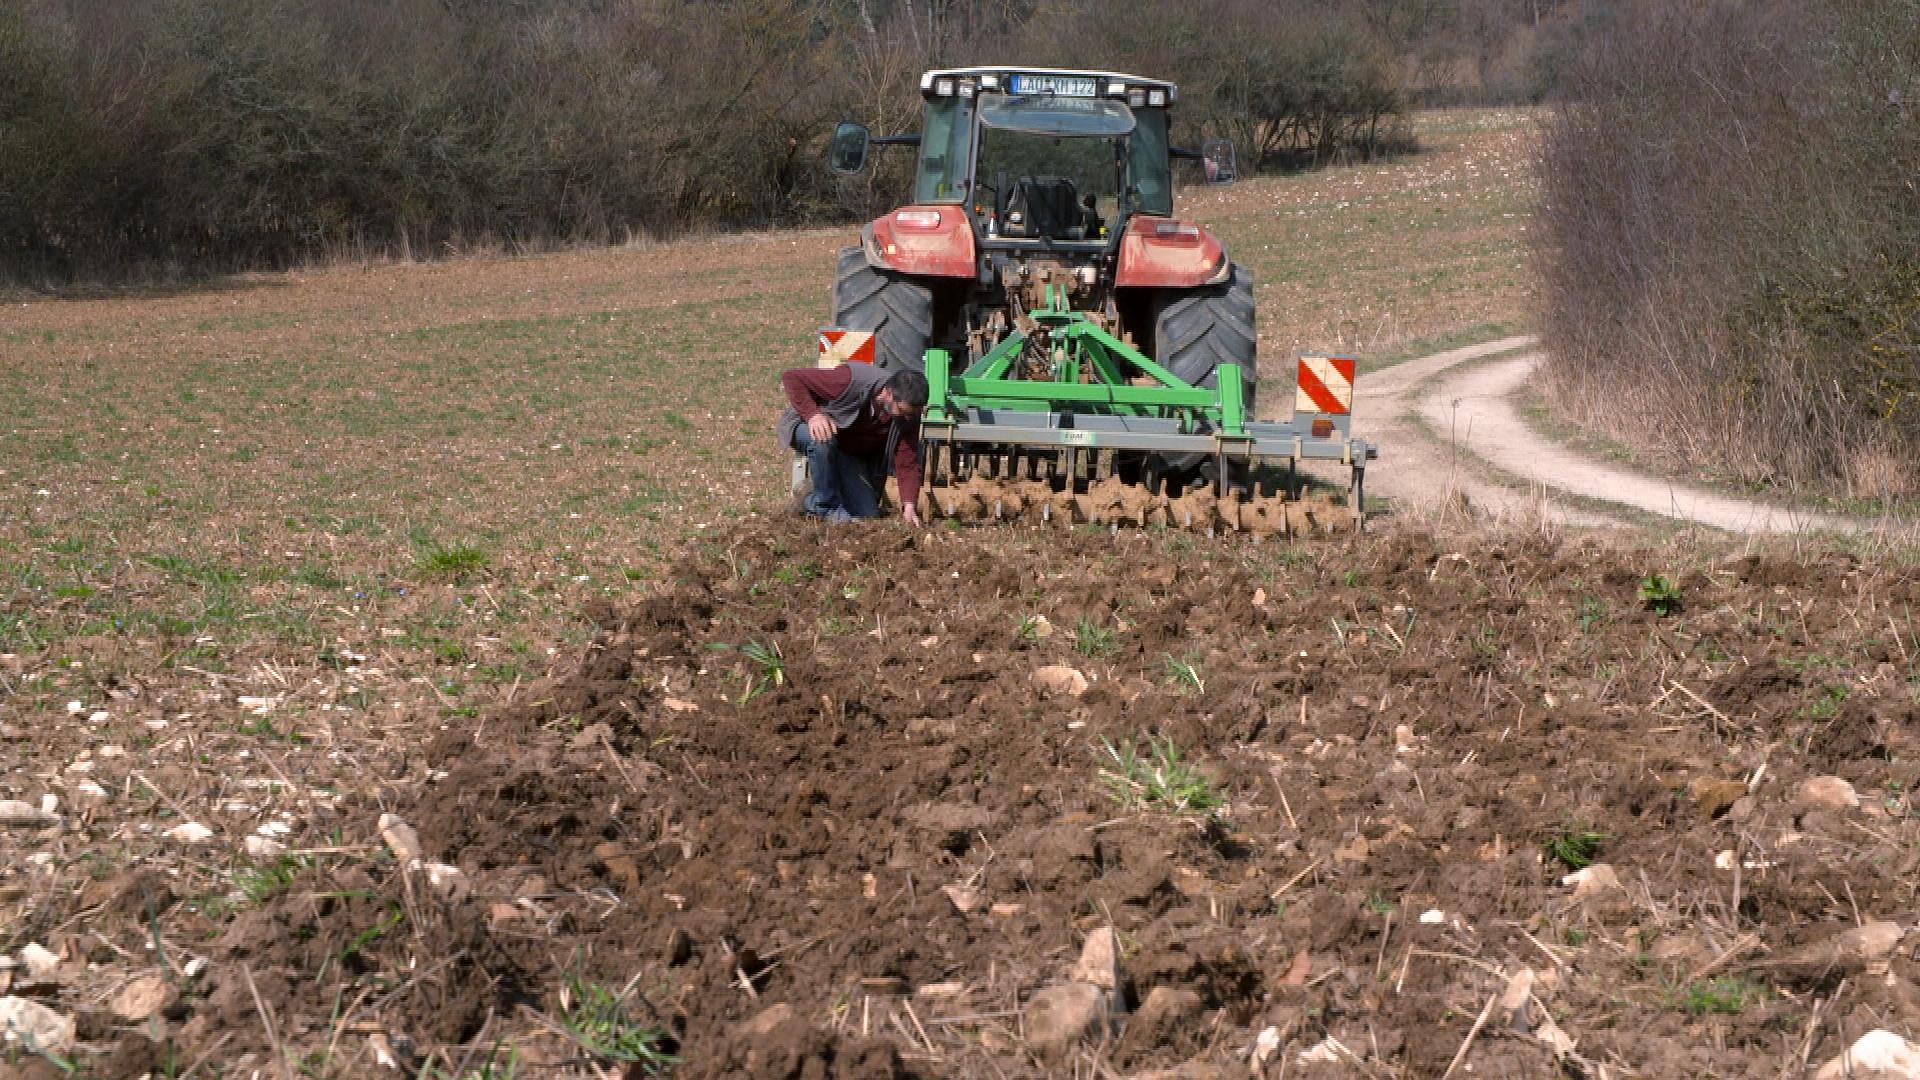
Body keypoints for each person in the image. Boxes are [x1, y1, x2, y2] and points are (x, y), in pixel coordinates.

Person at [776, 364, 927, 525]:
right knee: (823, 438)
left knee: (868, 514)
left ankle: (809, 499)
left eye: (911, 414)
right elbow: (792, 377)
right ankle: (826, 508)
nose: (907, 418)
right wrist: (813, 415)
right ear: (888, 393)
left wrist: (909, 505)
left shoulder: (908, 416)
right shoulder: (848, 380)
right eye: (903, 411)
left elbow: (908, 460)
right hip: (807, 425)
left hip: (845, 448)